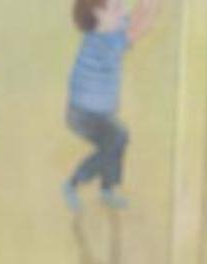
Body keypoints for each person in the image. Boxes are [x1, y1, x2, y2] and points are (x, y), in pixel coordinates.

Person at [62, 0, 162, 212]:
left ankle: (107, 188)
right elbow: (138, 28)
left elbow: (135, 16)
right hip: (83, 114)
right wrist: (153, 7)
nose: (123, 11)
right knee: (116, 140)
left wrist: (147, 5)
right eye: (116, 7)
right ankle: (74, 183)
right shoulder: (103, 44)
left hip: (94, 112)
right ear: (99, 16)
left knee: (116, 141)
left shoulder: (109, 29)